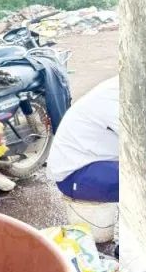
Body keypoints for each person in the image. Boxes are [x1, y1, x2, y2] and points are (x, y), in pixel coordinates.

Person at [45, 75, 118, 204]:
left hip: (94, 162)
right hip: (74, 175)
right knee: (141, 180)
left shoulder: (115, 88)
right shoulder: (113, 99)